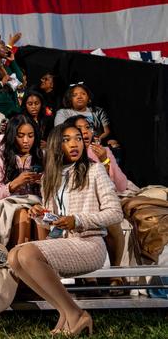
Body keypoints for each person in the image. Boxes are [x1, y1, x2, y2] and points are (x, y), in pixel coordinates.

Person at [7, 124, 123, 336]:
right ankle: (66, 313)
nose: (74, 144)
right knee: (14, 257)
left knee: (26, 253)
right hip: (63, 241)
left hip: (89, 244)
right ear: (55, 145)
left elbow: (115, 213)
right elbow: (54, 221)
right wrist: (41, 215)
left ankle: (77, 314)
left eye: (78, 139)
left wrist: (77, 220)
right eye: (67, 139)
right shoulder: (52, 177)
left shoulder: (94, 170)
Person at [65, 115, 128, 293]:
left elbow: (121, 186)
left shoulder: (102, 151)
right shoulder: (68, 152)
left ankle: (115, 275)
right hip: (80, 203)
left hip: (104, 200)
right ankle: (88, 278)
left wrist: (106, 161)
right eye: (79, 129)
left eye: (88, 127)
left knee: (113, 222)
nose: (85, 132)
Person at [0, 115, 45, 245]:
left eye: (30, 136)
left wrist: (43, 182)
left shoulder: (43, 155)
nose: (26, 141)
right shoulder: (0, 156)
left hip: (38, 202)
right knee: (22, 213)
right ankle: (18, 254)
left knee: (39, 212)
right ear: (12, 136)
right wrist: (15, 183)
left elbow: (55, 190)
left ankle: (43, 255)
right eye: (20, 136)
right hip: (11, 204)